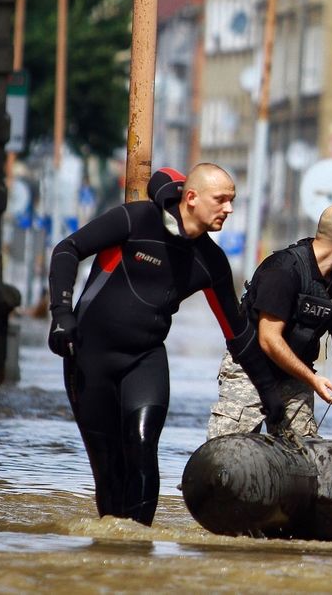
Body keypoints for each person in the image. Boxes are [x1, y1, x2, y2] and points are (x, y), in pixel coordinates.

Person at [47, 163, 275, 526]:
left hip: (146, 358)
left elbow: (239, 335)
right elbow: (67, 249)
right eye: (221, 200)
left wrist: (271, 397)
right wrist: (62, 314)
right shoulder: (136, 221)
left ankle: (139, 547)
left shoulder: (211, 262)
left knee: (142, 446)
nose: (229, 209)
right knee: (109, 469)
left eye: (232, 201)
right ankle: (111, 549)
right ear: (191, 198)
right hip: (89, 355)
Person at [207, 204, 332, 442]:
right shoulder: (283, 269)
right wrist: (314, 380)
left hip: (295, 375)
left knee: (303, 453)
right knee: (228, 451)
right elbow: (269, 339)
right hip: (250, 370)